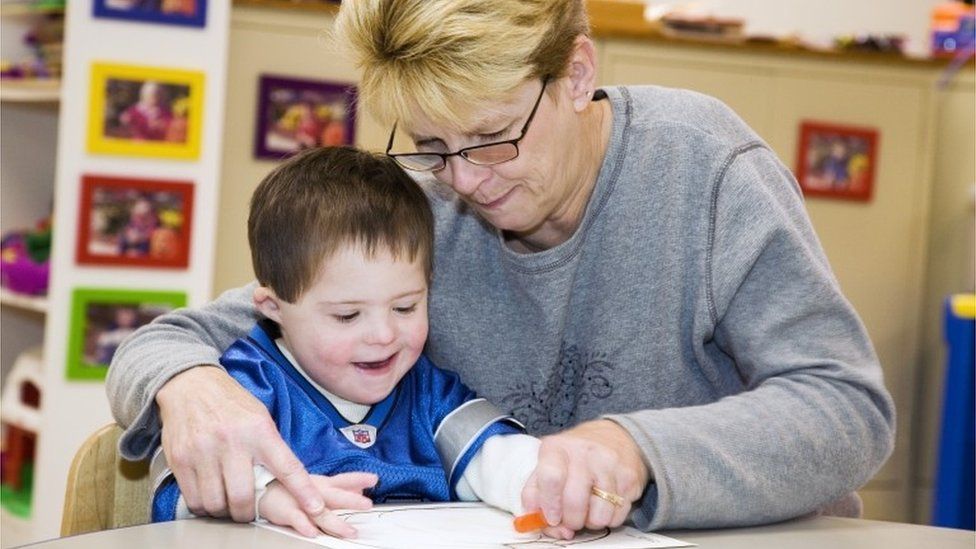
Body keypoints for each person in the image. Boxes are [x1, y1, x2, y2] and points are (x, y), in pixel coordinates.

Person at [107, 0, 895, 539]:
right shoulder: (422, 201)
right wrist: (189, 384)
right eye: (432, 145)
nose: (465, 179)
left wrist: (636, 448)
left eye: (492, 138)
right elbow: (177, 338)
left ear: (577, 75)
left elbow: (847, 410)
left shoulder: (707, 169)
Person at [148, 147, 539, 538]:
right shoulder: (246, 388)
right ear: (273, 308)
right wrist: (264, 497)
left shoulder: (430, 393)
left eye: (405, 307)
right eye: (347, 316)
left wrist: (540, 481)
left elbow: (499, 459)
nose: (384, 336)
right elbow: (176, 483)